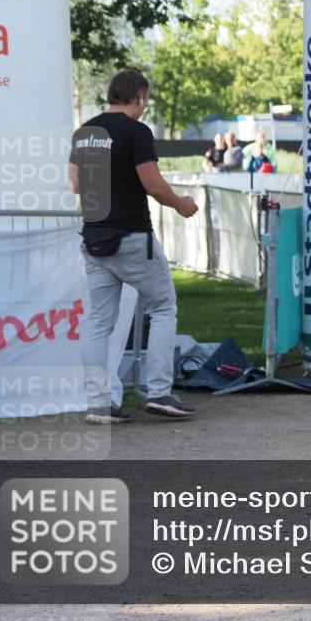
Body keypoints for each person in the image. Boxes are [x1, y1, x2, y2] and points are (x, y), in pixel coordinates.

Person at [68, 69, 198, 424]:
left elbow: (74, 183)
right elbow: (153, 184)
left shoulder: (85, 131)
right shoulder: (137, 132)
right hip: (132, 237)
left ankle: (99, 403)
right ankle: (159, 393)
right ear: (139, 96)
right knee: (163, 307)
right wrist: (181, 204)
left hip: (94, 237)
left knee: (97, 321)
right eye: (146, 100)